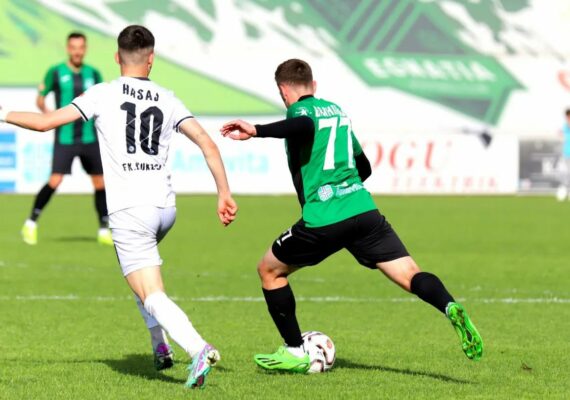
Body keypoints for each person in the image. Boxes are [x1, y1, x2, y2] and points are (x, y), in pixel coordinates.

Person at [0, 25, 238, 389]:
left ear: (116, 57)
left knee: (150, 292)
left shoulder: (102, 93)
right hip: (165, 209)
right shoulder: (167, 97)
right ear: (151, 58)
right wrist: (224, 193)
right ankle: (159, 345)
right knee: (140, 279)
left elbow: (45, 123)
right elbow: (207, 143)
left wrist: (3, 113)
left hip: (130, 211)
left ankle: (197, 348)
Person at [221, 59, 483, 373]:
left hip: (325, 216)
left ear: (282, 90)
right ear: (314, 85)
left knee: (269, 271)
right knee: (410, 274)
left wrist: (257, 130)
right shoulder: (337, 112)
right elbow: (365, 166)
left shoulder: (299, 111)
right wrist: (345, 187)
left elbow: (302, 126)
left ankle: (294, 351)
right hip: (363, 211)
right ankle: (449, 305)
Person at [22, 32, 113, 246]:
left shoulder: (94, 74)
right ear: (67, 48)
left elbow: (103, 101)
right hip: (65, 137)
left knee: (100, 182)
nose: (77, 52)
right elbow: (40, 99)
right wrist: (49, 115)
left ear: (85, 49)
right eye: (73, 47)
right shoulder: (56, 72)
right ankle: (31, 223)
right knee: (55, 180)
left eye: (81, 47)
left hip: (89, 137)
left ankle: (103, 229)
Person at [556, 109, 570, 201]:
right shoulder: (565, 126)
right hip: (566, 153)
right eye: (567, 116)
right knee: (566, 173)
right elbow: (560, 134)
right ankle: (565, 190)